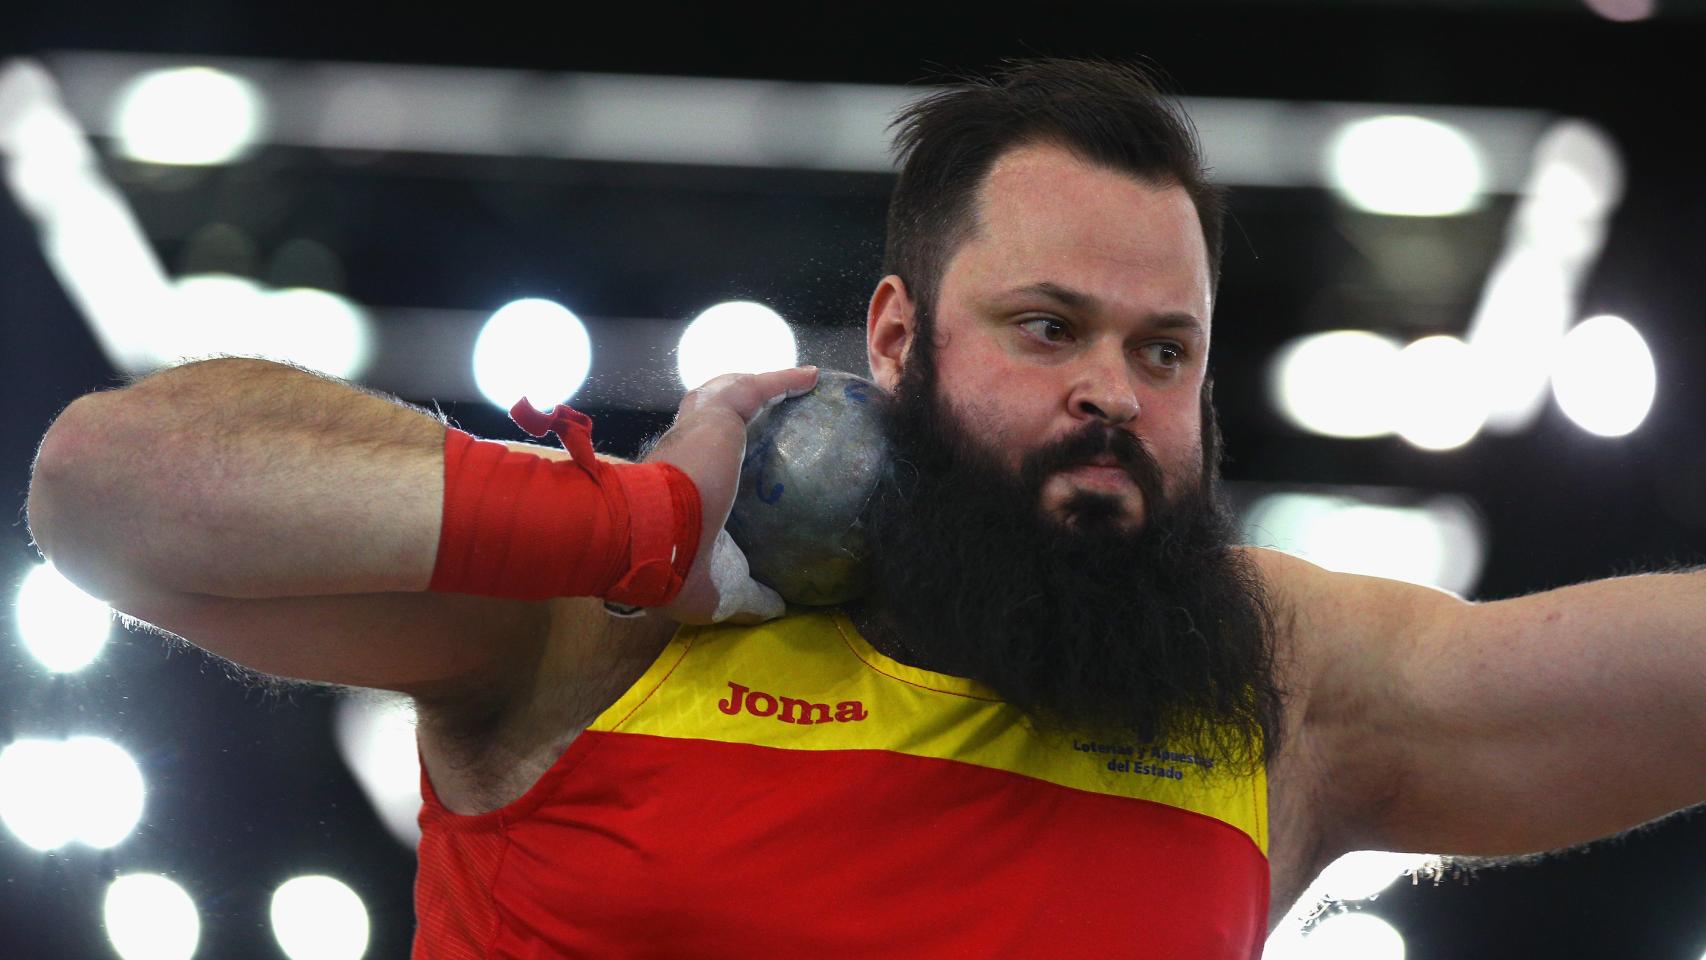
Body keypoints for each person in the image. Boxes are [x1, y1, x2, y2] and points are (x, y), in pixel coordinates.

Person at [24, 58, 1704, 959]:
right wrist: (620, 533)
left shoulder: (1270, 689)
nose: (1111, 392)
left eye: (1164, 350)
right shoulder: (608, 618)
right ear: (894, 340)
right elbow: (107, 486)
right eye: (1045, 328)